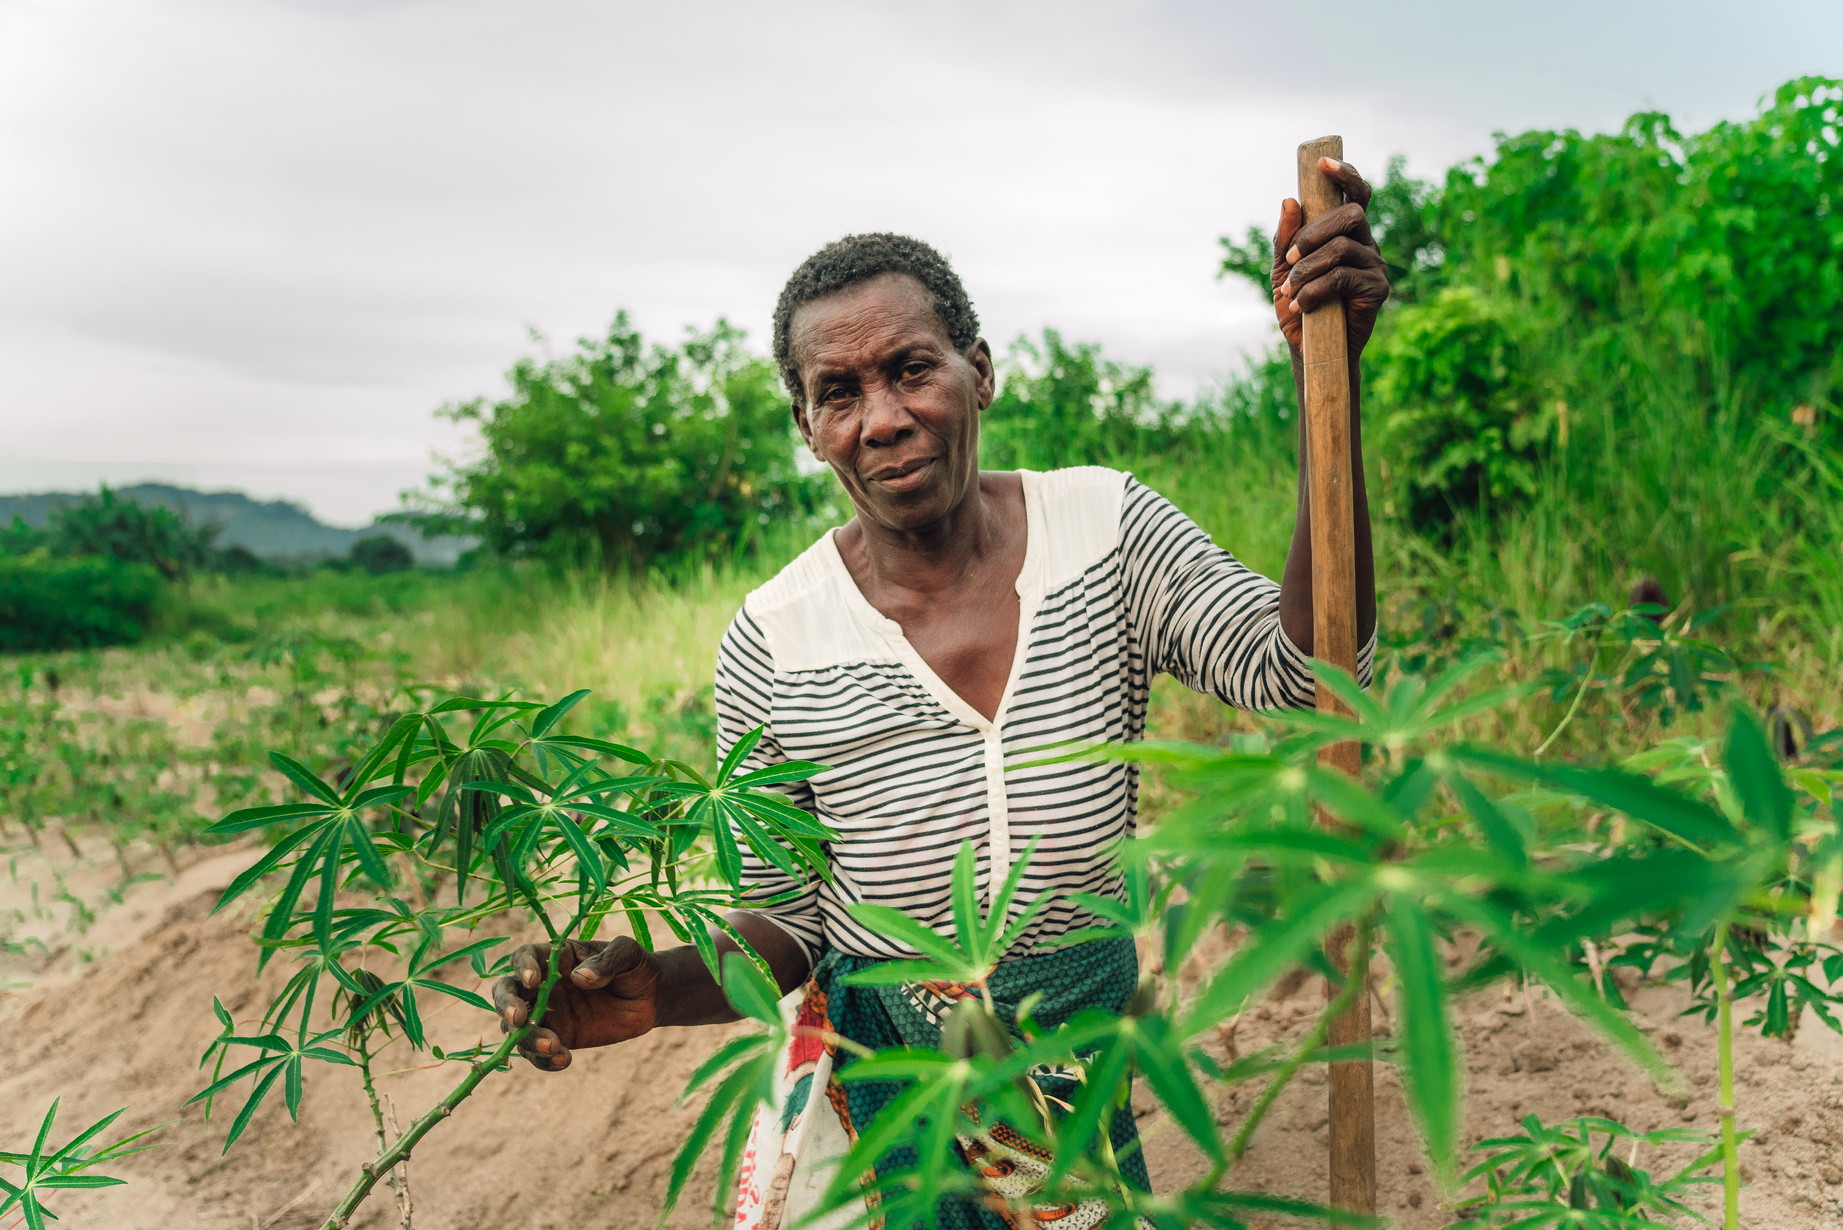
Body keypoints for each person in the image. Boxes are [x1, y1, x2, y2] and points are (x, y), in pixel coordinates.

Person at [492, 158, 1388, 1227]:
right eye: (838, 393)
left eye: (912, 370)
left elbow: (1306, 680)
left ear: (980, 371)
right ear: (806, 426)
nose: (881, 418)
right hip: (892, 1059)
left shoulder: (1102, 530)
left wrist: (1320, 382)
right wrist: (652, 994)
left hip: (1070, 1028)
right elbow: (783, 922)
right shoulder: (776, 638)